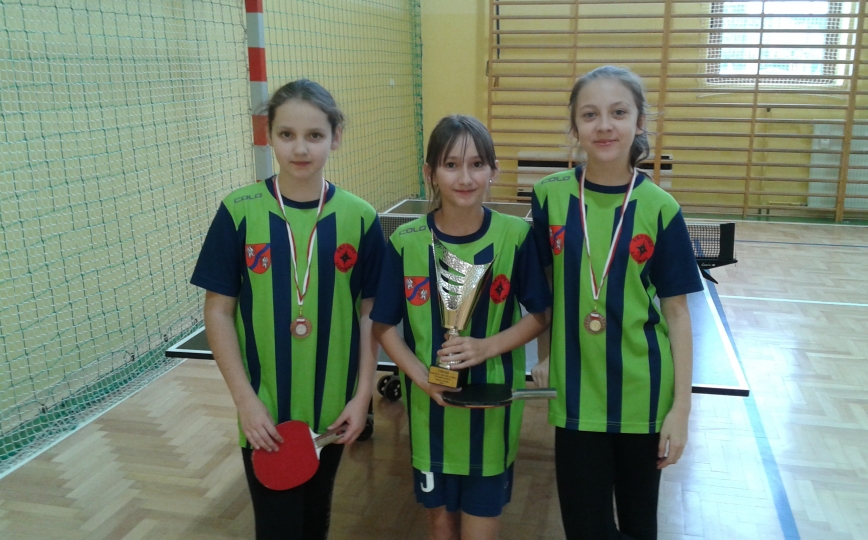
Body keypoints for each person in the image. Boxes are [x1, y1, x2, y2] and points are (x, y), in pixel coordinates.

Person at [190, 79, 384, 540]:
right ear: (269, 136)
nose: (300, 148)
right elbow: (218, 312)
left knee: (315, 521)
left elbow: (370, 314)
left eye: (314, 135)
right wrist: (245, 400)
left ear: (336, 137)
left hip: (333, 408)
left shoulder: (361, 217)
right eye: (287, 134)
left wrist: (362, 397)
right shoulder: (237, 211)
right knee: (276, 527)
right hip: (264, 409)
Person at [530, 66, 703, 540]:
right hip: (576, 396)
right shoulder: (549, 197)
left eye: (618, 113)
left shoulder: (661, 209)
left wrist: (681, 410)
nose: (604, 125)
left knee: (639, 526)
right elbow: (544, 287)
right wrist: (545, 355)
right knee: (585, 528)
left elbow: (677, 314)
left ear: (639, 122)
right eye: (590, 114)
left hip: (645, 398)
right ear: (575, 126)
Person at [371, 115, 552, 540]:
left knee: (480, 528)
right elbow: (383, 326)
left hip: (492, 413)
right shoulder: (405, 242)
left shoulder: (515, 237)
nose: (465, 177)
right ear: (430, 172)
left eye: (476, 164)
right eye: (451, 165)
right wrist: (422, 379)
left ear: (493, 171)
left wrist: (487, 347)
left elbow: (540, 315)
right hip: (428, 412)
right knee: (440, 524)